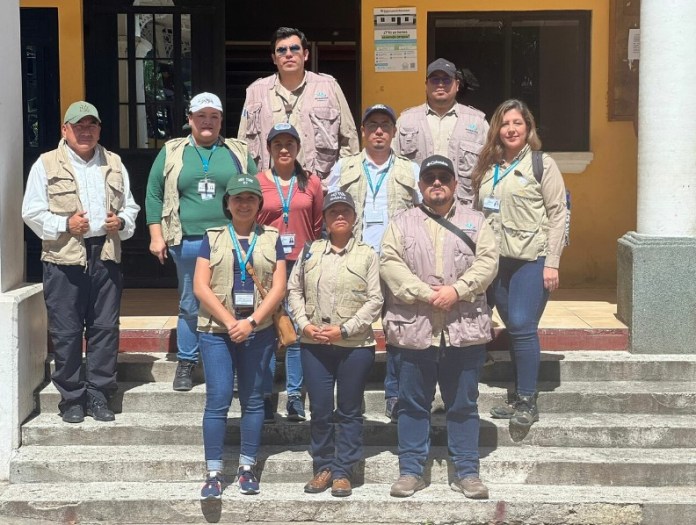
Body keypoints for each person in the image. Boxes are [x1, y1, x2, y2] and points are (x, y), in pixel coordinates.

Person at [380, 155, 498, 500]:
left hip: (462, 330)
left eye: (442, 178)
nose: (436, 183)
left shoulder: (476, 222)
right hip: (415, 330)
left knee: (462, 404)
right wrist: (425, 293)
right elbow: (389, 262)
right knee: (413, 404)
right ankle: (412, 470)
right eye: (429, 177)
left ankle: (467, 471)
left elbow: (488, 261)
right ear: (419, 185)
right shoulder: (401, 223)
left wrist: (456, 291)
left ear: (454, 184)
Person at [22, 101, 140, 423]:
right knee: (67, 330)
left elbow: (130, 206)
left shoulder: (114, 163)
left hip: (105, 255)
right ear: (65, 130)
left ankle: (100, 395)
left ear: (99, 129)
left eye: (91, 125)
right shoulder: (45, 164)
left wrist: (122, 223)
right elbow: (30, 212)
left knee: (104, 328)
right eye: (78, 126)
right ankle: (71, 399)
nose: (85, 131)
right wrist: (65, 225)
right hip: (64, 258)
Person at [145, 92, 257, 391]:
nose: (207, 122)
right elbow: (154, 192)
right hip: (187, 239)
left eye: (214, 117)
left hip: (229, 239)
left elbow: (256, 190)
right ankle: (187, 360)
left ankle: (230, 362)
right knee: (190, 302)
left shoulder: (237, 151)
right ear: (190, 119)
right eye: (201, 116)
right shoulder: (172, 151)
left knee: (231, 300)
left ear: (221, 121)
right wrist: (157, 235)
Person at [471, 99, 567, 428]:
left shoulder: (543, 164)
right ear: (496, 129)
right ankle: (517, 395)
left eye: (518, 123)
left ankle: (527, 399)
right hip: (495, 261)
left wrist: (551, 262)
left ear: (528, 129)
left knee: (524, 325)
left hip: (531, 259)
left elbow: (558, 215)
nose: (511, 129)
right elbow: (477, 214)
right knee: (514, 327)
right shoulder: (487, 166)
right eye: (505, 123)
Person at [194, 174, 286, 499]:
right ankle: (214, 473)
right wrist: (232, 321)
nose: (244, 203)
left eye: (250, 198)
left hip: (257, 331)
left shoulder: (272, 238)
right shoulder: (213, 237)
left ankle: (247, 467)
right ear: (228, 204)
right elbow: (200, 286)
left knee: (252, 399)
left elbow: (279, 287)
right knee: (218, 399)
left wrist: (252, 321)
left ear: (260, 204)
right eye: (237, 198)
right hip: (217, 332)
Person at [326, 103, 420, 423]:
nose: (378, 130)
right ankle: (352, 398)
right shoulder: (345, 168)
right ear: (363, 132)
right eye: (372, 125)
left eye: (385, 125)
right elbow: (327, 211)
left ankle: (394, 395)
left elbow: (424, 216)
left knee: (397, 330)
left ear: (393, 132)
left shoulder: (411, 170)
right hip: (357, 259)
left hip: (398, 261)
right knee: (354, 329)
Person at [287, 191, 383, 498]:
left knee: (350, 410)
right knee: (320, 409)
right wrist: (303, 324)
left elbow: (375, 299)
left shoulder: (367, 254)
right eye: (332, 212)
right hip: (313, 344)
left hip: (354, 345)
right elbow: (294, 291)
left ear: (354, 218)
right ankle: (324, 466)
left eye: (345, 211)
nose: (339, 216)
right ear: (324, 219)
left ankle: (344, 471)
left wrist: (345, 329)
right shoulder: (310, 252)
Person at [256, 122, 324, 422]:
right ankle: (267, 394)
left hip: (301, 263)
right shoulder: (258, 182)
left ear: (298, 148)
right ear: (269, 149)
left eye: (289, 144)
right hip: (268, 262)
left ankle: (295, 396)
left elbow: (319, 223)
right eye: (277, 144)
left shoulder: (312, 183)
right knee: (268, 330)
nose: (284, 149)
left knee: (295, 330)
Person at [238, 26, 359, 182]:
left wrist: (337, 182)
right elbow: (242, 146)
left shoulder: (329, 87)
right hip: (268, 190)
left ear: (306, 54)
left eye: (294, 48)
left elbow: (349, 140)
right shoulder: (255, 92)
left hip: (319, 186)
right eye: (281, 50)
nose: (288, 54)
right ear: (274, 58)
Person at [393, 58, 489, 206]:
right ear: (426, 85)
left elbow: (491, 169)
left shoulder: (477, 122)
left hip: (463, 209)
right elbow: (392, 166)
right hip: (417, 209)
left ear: (457, 85)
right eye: (435, 79)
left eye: (446, 80)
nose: (440, 84)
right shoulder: (405, 121)